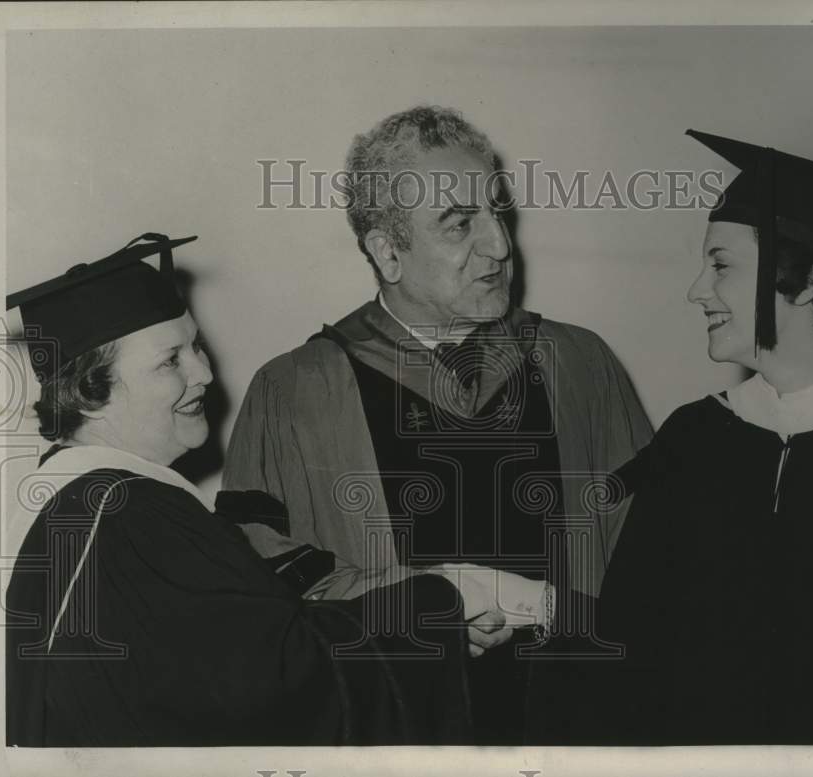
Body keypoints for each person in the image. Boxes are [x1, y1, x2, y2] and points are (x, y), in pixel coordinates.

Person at [223, 106, 652, 743]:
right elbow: (264, 594)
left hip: (578, 726)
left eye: (497, 212)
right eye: (459, 225)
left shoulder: (580, 363)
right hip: (399, 735)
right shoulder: (293, 392)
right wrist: (437, 601)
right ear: (387, 252)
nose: (500, 246)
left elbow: (652, 553)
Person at [4, 233, 481, 747]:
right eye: (170, 361)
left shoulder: (73, 506)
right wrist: (441, 601)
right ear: (89, 393)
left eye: (198, 346)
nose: (205, 373)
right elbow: (278, 682)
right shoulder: (133, 517)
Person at [596, 130, 813, 744]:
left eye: (721, 265)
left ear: (807, 281)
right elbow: (630, 640)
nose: (696, 290)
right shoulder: (695, 436)